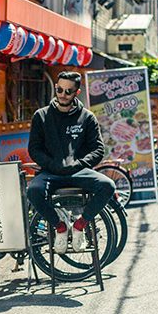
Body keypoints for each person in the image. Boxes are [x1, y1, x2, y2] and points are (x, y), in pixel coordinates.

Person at [26, 70, 115, 254]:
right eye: (59, 90)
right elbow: (34, 149)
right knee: (33, 191)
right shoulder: (41, 116)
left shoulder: (87, 117)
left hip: (78, 171)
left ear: (77, 92)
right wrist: (51, 165)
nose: (62, 95)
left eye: (68, 91)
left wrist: (79, 164)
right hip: (50, 172)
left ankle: (79, 226)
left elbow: (98, 149)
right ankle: (60, 226)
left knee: (108, 185)